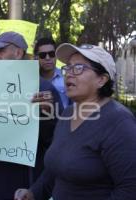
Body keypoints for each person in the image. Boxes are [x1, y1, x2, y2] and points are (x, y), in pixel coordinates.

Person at [14, 43, 136, 200]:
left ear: (102, 80)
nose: (69, 74)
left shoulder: (119, 122)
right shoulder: (68, 113)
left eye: (79, 68)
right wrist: (33, 193)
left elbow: (130, 189)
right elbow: (55, 168)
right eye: (68, 68)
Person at [0, 31, 63, 200]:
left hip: (20, 188)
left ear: (18, 53)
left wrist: (46, 115)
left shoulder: (43, 90)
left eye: (0, 51)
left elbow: (56, 140)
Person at [34, 38, 71, 108]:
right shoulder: (31, 80)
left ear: (56, 55)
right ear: (36, 57)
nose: (47, 58)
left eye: (51, 54)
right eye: (42, 55)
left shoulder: (67, 77)